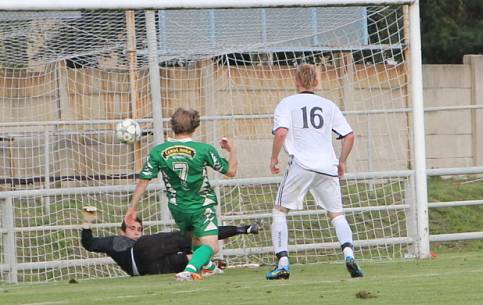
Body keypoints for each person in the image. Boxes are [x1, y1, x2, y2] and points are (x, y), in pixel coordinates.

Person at [266, 63, 362, 280]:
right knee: (337, 214)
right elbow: (350, 136)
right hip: (327, 166)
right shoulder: (328, 105)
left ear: (296, 81)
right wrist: (342, 161)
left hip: (301, 164)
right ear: (317, 82)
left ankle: (282, 262)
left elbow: (281, 133)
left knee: (280, 211)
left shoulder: (287, 103)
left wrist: (273, 158)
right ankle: (349, 254)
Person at [124, 108, 238, 281]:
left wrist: (132, 208)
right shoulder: (203, 149)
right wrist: (232, 150)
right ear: (195, 127)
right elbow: (231, 171)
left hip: (178, 208)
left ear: (172, 126)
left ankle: (208, 267)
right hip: (201, 205)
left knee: (197, 241)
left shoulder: (158, 151)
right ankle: (189, 270)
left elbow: (144, 180)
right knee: (212, 246)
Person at [80, 206, 259, 276]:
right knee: (185, 237)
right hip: (139, 259)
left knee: (188, 257)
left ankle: (242, 231)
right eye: (132, 228)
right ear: (122, 230)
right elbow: (90, 244)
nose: (136, 232)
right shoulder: (116, 241)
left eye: (139, 229)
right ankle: (242, 229)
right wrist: (87, 223)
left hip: (150, 271)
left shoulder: (143, 241)